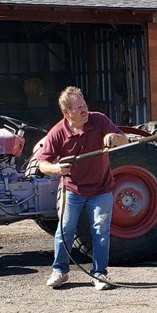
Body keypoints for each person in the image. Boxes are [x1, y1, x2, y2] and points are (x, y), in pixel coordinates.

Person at [35, 86, 128, 290]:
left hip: (101, 188)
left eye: (84, 104)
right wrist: (57, 168)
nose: (85, 110)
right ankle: (60, 270)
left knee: (100, 231)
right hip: (72, 190)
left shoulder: (100, 119)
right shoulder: (58, 132)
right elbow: (42, 163)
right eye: (79, 108)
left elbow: (124, 139)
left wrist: (114, 138)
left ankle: (99, 274)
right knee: (65, 229)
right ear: (67, 112)